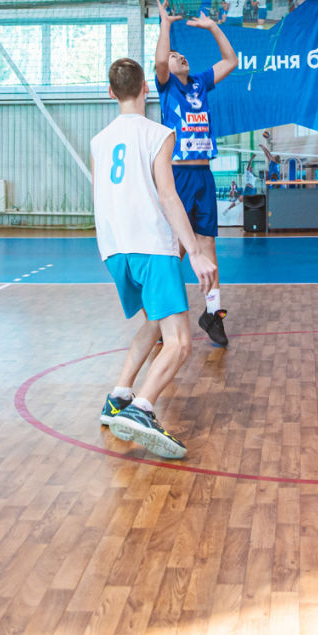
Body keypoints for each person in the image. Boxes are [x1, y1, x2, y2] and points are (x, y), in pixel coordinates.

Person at [92, 58, 220, 459]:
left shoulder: (98, 141)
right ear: (146, 88)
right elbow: (167, 195)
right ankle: (142, 409)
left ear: (110, 92)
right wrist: (194, 251)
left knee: (153, 322)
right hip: (150, 245)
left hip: (114, 250)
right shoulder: (159, 133)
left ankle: (119, 397)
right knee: (179, 342)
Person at [155, 0, 238, 347]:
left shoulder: (199, 83)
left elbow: (231, 61)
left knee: (207, 246)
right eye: (175, 56)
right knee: (175, 250)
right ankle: (161, 315)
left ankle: (212, 313)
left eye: (182, 55)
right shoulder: (167, 86)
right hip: (178, 178)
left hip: (203, 175)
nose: (179, 58)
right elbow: (160, 62)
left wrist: (213, 27)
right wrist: (165, 25)